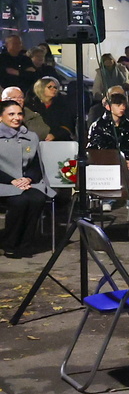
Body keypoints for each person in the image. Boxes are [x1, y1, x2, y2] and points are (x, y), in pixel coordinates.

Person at [0, 101, 48, 258]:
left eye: (19, 114)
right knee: (19, 201)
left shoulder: (30, 136)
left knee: (37, 199)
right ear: (1, 117)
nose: (16, 118)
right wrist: (11, 181)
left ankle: (26, 244)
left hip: (27, 183)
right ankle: (10, 244)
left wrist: (28, 178)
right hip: (4, 182)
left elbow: (36, 163)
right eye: (11, 114)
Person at [86, 89, 129, 167]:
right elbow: (96, 147)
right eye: (118, 105)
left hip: (125, 162)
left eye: (123, 104)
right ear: (108, 107)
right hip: (103, 162)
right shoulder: (98, 126)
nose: (122, 107)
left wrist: (126, 158)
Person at [30, 76, 75, 142]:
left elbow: (68, 125)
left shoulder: (62, 105)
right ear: (41, 88)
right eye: (50, 87)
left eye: (55, 87)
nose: (54, 89)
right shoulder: (32, 105)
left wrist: (54, 135)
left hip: (59, 141)